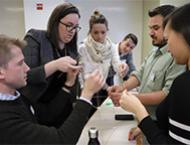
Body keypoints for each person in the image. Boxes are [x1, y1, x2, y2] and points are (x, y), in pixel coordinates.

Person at [0, 34, 104, 144]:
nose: (27, 68)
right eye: (20, 63)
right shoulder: (4, 119)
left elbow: (47, 117)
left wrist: (68, 84)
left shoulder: (18, 96)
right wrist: (87, 95)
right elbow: (61, 141)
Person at [120, 3, 190, 144]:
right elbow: (140, 73)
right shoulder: (154, 53)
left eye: (169, 37)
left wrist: (138, 107)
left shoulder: (183, 83)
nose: (168, 46)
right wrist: (147, 126)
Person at [108, 5, 185, 118]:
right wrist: (122, 88)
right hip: (143, 116)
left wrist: (131, 98)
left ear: (170, 27)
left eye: (156, 28)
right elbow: (139, 75)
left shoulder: (177, 56)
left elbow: (167, 94)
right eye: (150, 28)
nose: (151, 33)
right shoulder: (153, 51)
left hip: (158, 122)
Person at [20, 2, 82, 128]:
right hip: (39, 111)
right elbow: (26, 76)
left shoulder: (71, 50)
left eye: (75, 27)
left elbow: (71, 85)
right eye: (68, 25)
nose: (72, 31)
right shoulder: (36, 37)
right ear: (55, 22)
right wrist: (55, 65)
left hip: (62, 109)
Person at [78, 10, 126, 106]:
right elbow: (87, 74)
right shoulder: (83, 47)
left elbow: (117, 64)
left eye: (103, 32)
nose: (100, 36)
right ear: (90, 31)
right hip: (88, 89)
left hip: (104, 89)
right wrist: (107, 87)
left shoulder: (111, 46)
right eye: (96, 32)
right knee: (88, 118)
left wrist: (122, 67)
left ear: (107, 31)